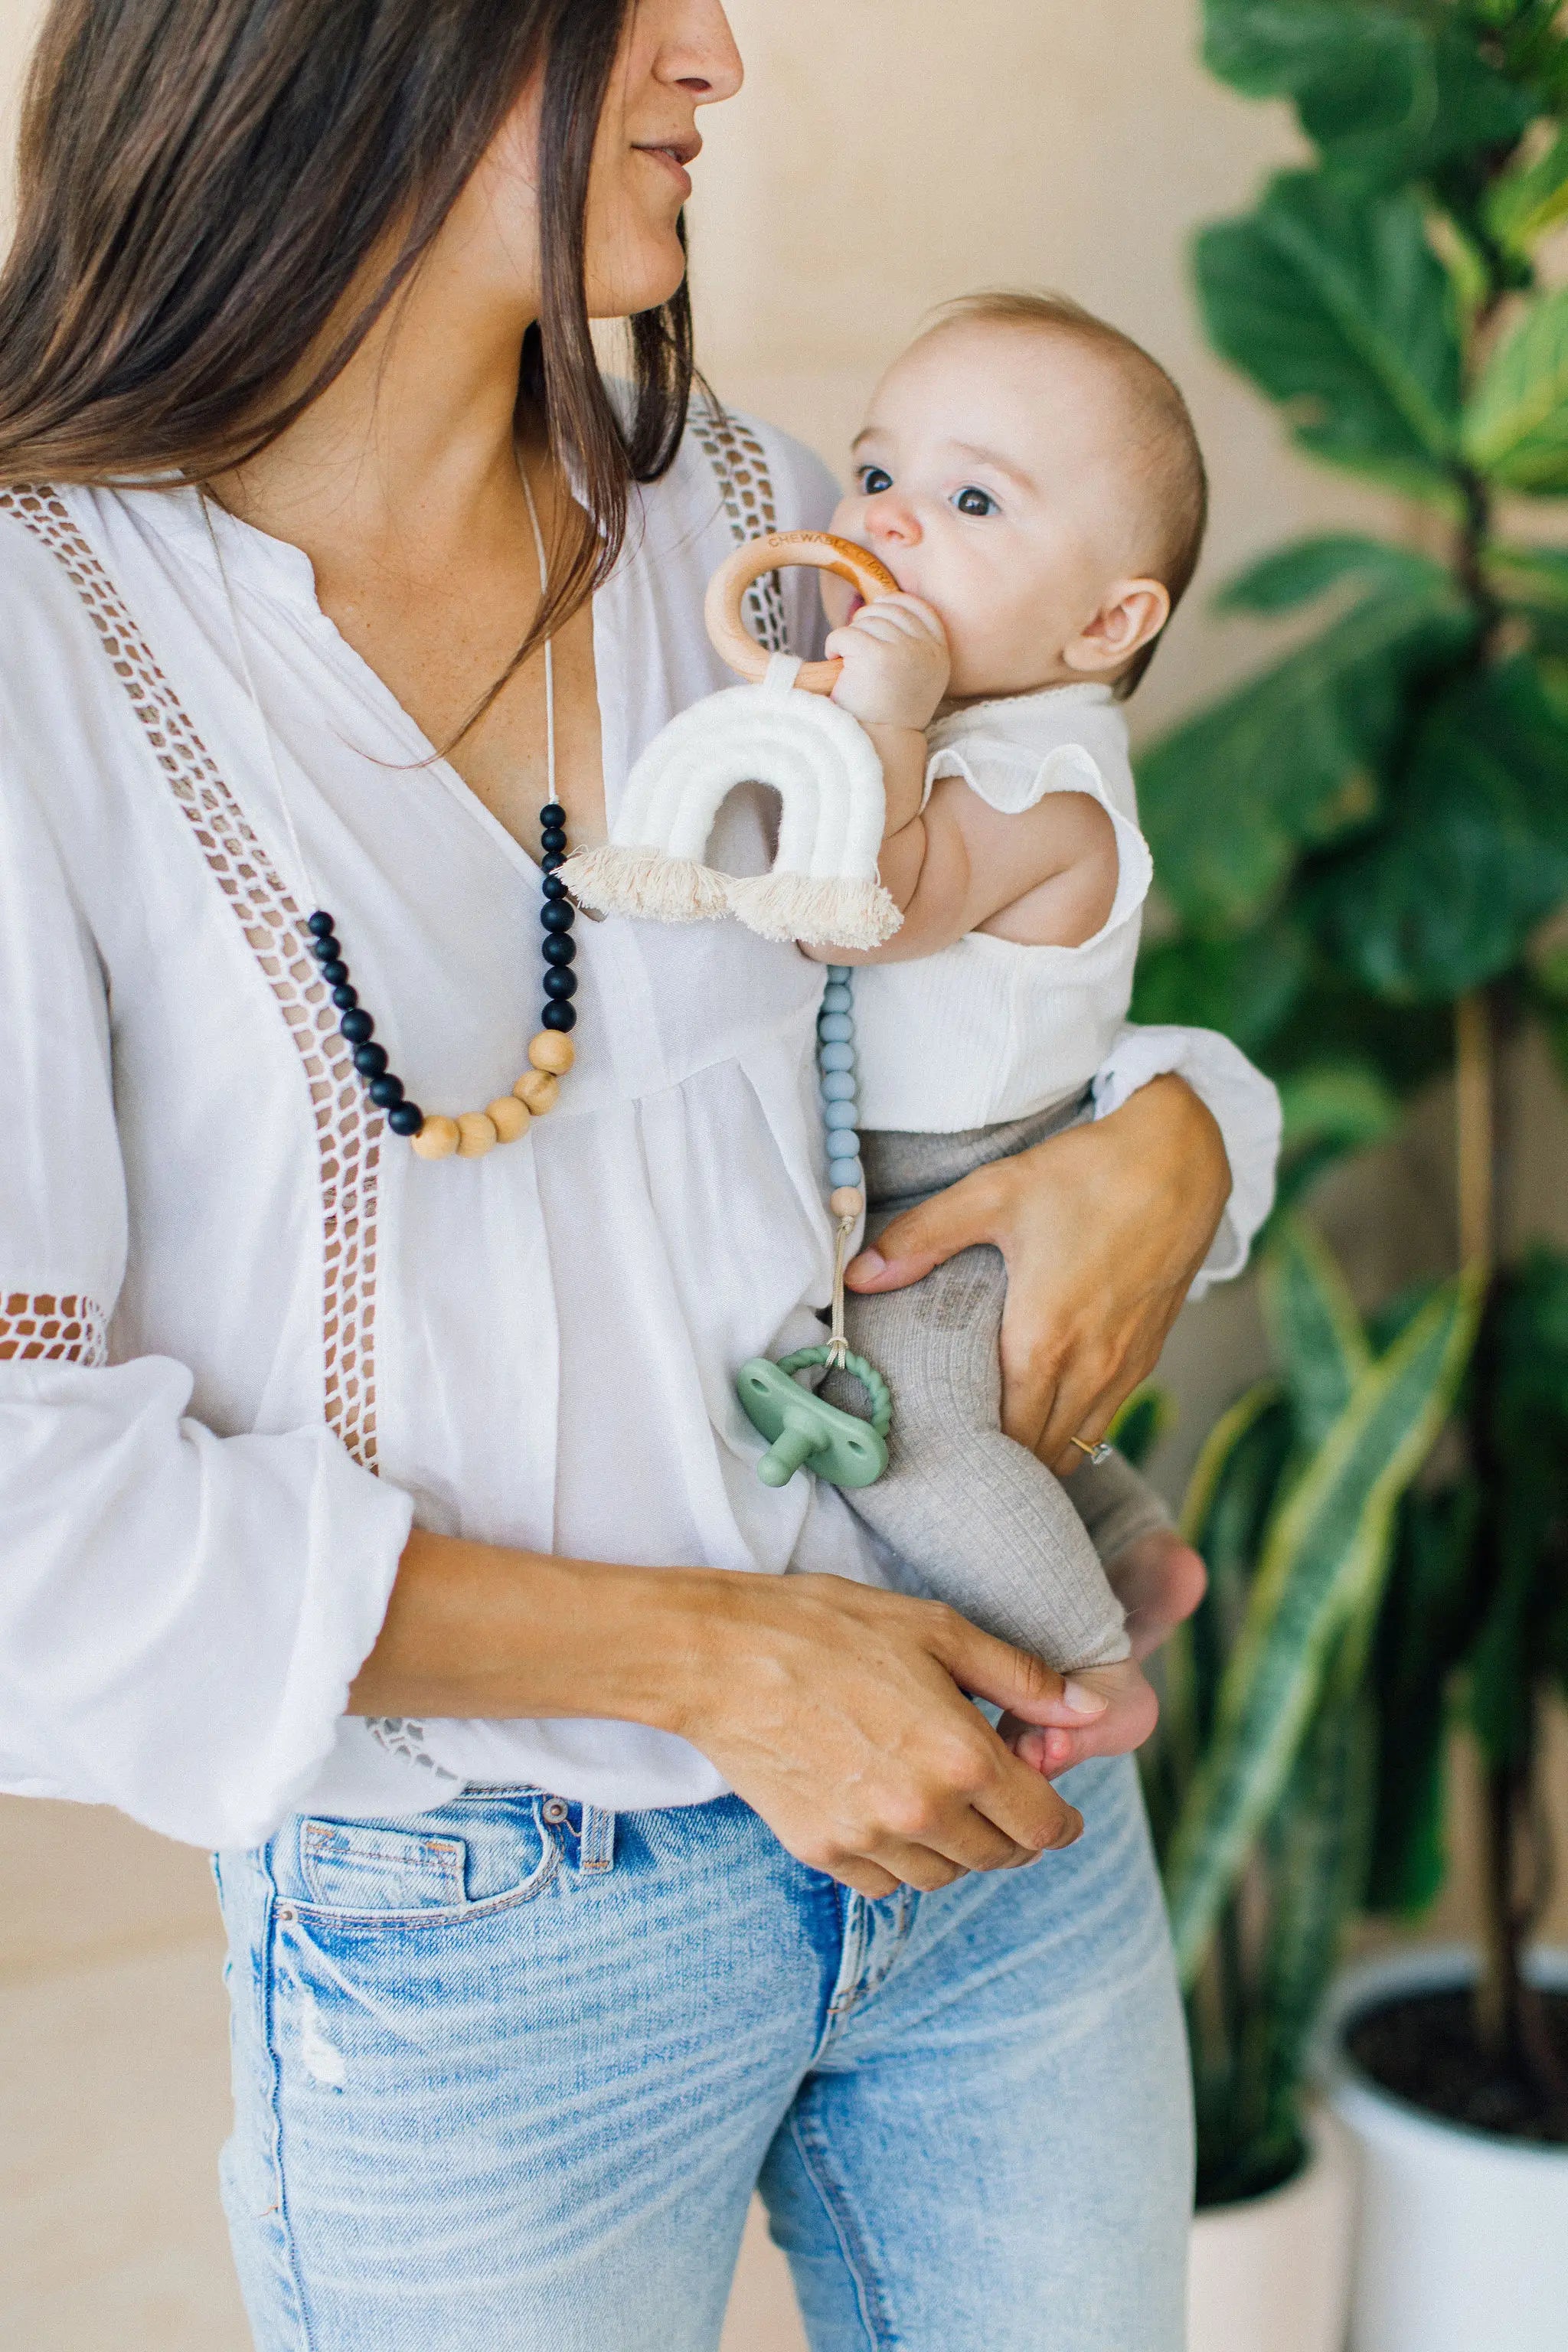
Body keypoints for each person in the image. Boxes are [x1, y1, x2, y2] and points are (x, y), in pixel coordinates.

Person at [0, 5, 1268, 2347]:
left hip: (993, 1812)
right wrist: (724, 1670)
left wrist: (1190, 1143)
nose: (719, 54)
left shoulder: (778, 526)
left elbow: (1008, 982)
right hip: (484, 1937)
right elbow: (21, 1490)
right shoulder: (42, 649)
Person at [796, 290, 1269, 1765]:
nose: (893, 522)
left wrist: (875, 718)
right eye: (875, 474)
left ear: (1107, 621)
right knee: (976, 1416)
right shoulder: (984, 733)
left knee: (913, 1422)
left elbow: (855, 907)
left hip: (967, 1177)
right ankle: (1134, 1550)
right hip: (949, 1150)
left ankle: (1088, 1668)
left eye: (974, 498)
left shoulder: (1040, 776)